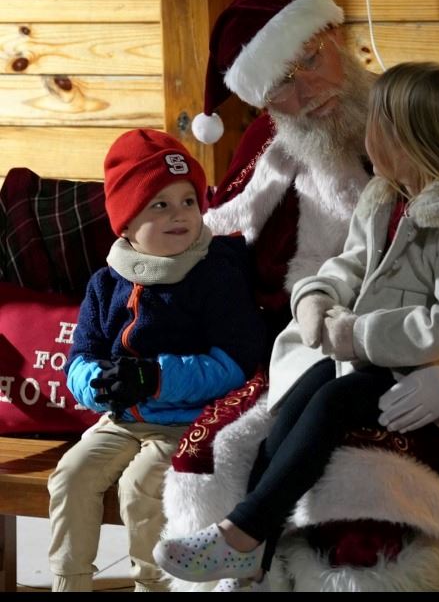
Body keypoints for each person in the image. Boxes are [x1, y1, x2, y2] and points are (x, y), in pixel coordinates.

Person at [161, 0, 439, 591]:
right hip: (316, 348)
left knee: (356, 478)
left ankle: (252, 540)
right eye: (281, 84)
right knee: (228, 446)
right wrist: (312, 298)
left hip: (417, 367)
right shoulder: (311, 168)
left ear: (338, 38)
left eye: (310, 59)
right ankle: (245, 547)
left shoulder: (435, 136)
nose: (306, 91)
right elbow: (281, 265)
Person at [47, 128, 264, 592]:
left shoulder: (215, 274)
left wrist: (155, 377)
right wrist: (98, 382)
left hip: (184, 420)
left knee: (142, 486)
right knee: (71, 474)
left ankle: (153, 585)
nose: (179, 214)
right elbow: (80, 357)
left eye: (188, 201)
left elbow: (235, 364)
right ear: (126, 223)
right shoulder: (106, 283)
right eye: (159, 204)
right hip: (120, 419)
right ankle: (70, 581)